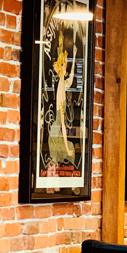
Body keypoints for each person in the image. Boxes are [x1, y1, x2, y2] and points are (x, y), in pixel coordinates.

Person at [47, 33, 77, 166]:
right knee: (70, 148)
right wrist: (66, 148)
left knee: (69, 149)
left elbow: (70, 78)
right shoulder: (60, 88)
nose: (66, 66)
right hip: (56, 134)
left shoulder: (62, 84)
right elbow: (63, 126)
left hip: (57, 132)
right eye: (65, 64)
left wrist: (75, 56)